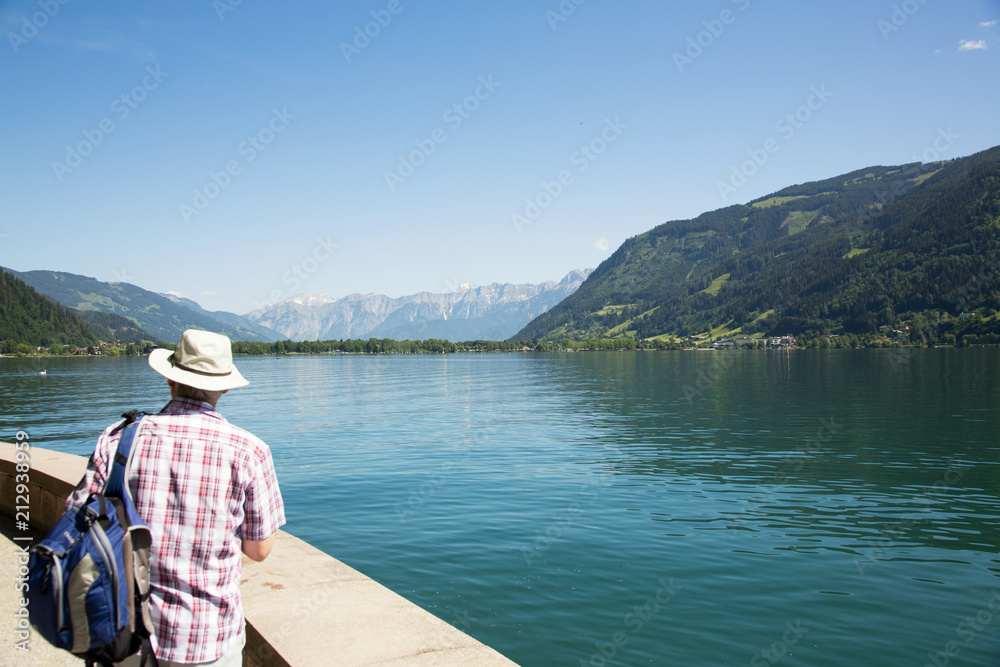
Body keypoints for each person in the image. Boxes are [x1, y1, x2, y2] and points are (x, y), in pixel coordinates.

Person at [67, 329, 285, 666]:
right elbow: (258, 550)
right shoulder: (249, 451)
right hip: (206, 639)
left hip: (123, 632)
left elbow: (77, 519)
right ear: (224, 386)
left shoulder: (118, 439)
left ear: (170, 379)